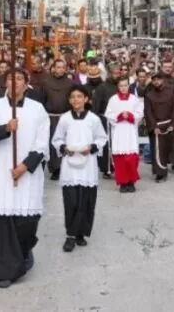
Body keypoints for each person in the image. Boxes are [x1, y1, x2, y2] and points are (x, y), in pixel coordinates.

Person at [0, 68, 49, 289]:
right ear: (5, 83)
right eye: (11, 78)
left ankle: (25, 251)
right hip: (1, 171)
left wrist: (25, 166)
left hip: (26, 174)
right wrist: (5, 128)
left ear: (26, 83)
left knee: (26, 223)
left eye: (20, 78)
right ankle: (5, 271)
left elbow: (42, 143)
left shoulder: (37, 109)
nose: (15, 82)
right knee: (1, 222)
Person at [51, 85, 107, 252]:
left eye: (79, 96)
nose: (76, 100)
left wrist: (91, 147)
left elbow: (102, 138)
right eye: (73, 97)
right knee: (71, 201)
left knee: (86, 201)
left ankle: (81, 233)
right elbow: (57, 139)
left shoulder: (93, 119)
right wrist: (63, 148)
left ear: (86, 99)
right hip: (70, 165)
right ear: (69, 100)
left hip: (87, 163)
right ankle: (70, 235)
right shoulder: (65, 119)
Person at [104, 78, 143, 193]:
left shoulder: (134, 99)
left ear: (128, 86)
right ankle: (123, 182)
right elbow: (108, 113)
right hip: (119, 131)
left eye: (125, 85)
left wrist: (130, 115)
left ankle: (131, 182)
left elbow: (140, 113)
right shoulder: (113, 99)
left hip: (130, 131)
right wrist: (120, 115)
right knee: (120, 159)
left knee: (132, 158)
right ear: (118, 87)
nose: (123, 88)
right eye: (121, 86)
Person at [143, 72, 174, 182]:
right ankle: (160, 173)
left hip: (169, 124)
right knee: (157, 150)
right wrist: (154, 126)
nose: (156, 82)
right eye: (154, 80)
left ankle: (169, 167)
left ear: (162, 80)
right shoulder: (149, 95)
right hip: (157, 127)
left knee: (168, 149)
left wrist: (173, 124)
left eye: (158, 79)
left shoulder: (170, 93)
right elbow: (148, 112)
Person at [40, 59, 74, 181]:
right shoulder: (46, 82)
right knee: (52, 143)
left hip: (65, 117)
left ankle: (64, 167)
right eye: (58, 67)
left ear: (65, 69)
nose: (60, 69)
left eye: (62, 67)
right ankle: (54, 168)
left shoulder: (70, 83)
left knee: (65, 142)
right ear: (53, 68)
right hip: (50, 117)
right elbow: (42, 101)